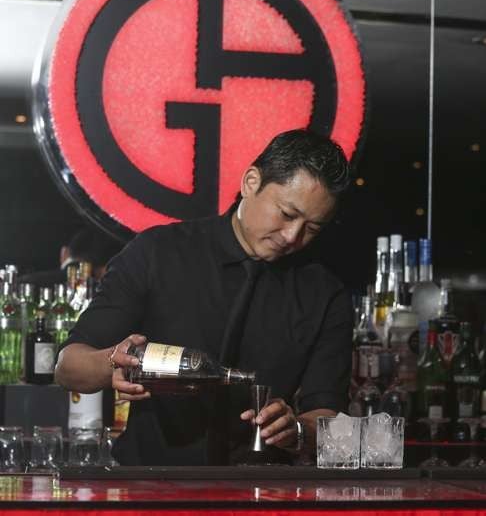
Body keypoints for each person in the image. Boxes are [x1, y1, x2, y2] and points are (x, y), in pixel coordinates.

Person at [55, 129, 353, 465]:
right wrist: (111, 362)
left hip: (262, 491)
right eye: (287, 214)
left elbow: (329, 416)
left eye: (312, 228)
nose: (292, 236)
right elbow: (68, 367)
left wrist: (298, 430)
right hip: (150, 484)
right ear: (251, 182)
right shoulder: (158, 252)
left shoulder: (325, 293)